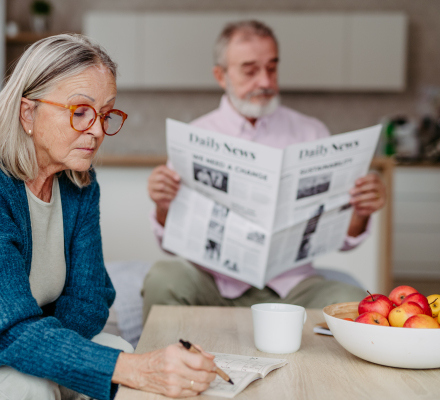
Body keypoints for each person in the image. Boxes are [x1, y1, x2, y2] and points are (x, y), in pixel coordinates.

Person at [0, 34, 217, 400]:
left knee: (118, 350)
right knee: (30, 387)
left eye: (105, 114)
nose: (96, 130)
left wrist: (53, 351)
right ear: (28, 113)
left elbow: (89, 300)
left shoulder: (80, 184)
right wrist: (58, 354)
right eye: (80, 112)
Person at [143, 21, 387, 322]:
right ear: (221, 76)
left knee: (352, 302)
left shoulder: (312, 132)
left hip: (293, 288)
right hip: (215, 285)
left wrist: (362, 212)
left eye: (272, 68)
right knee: (162, 278)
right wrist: (162, 203)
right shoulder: (197, 135)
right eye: (250, 70)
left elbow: (343, 238)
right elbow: (168, 241)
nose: (265, 81)